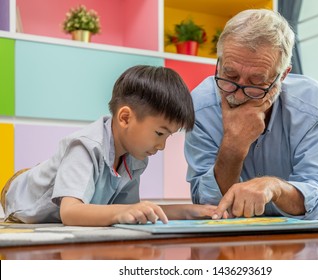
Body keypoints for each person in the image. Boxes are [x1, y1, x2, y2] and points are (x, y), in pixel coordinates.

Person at [184, 9, 318, 221]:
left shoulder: (312, 104)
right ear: (219, 61)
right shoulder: (200, 106)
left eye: (256, 82)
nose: (239, 93)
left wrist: (275, 187)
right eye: (230, 74)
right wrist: (234, 145)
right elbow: (207, 204)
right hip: (247, 212)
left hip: (295, 193)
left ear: (283, 75)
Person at [1, 65, 226, 226]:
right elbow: (70, 213)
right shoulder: (86, 147)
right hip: (16, 195)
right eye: (159, 133)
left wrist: (191, 211)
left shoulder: (135, 159)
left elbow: (135, 209)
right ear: (125, 118)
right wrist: (124, 212)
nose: (162, 146)